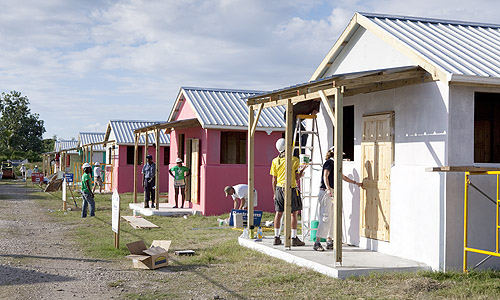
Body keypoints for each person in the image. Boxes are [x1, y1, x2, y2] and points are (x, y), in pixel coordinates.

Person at [313, 146, 363, 251]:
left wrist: (355, 183)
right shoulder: (329, 163)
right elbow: (325, 176)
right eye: (340, 155)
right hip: (327, 192)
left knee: (332, 217)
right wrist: (328, 189)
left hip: (331, 191)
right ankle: (317, 242)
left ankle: (329, 240)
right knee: (325, 217)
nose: (341, 157)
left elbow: (342, 176)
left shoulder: (335, 164)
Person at [270, 138, 307, 246]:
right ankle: (294, 238)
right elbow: (296, 177)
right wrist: (302, 171)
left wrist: (274, 194)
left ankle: (276, 237)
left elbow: (274, 180)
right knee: (293, 214)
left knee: (279, 212)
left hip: (278, 189)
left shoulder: (275, 161)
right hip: (290, 188)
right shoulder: (294, 160)